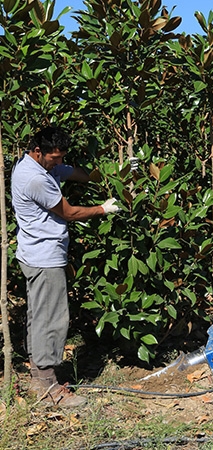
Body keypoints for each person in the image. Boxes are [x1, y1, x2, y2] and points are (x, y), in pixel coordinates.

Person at [11, 126, 120, 407]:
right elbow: (69, 212)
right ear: (38, 152)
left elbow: (72, 173)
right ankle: (48, 388)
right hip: (45, 258)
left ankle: (38, 374)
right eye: (55, 158)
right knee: (52, 320)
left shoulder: (39, 166)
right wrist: (103, 209)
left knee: (40, 315)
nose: (59, 163)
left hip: (35, 255)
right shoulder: (35, 178)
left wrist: (110, 173)